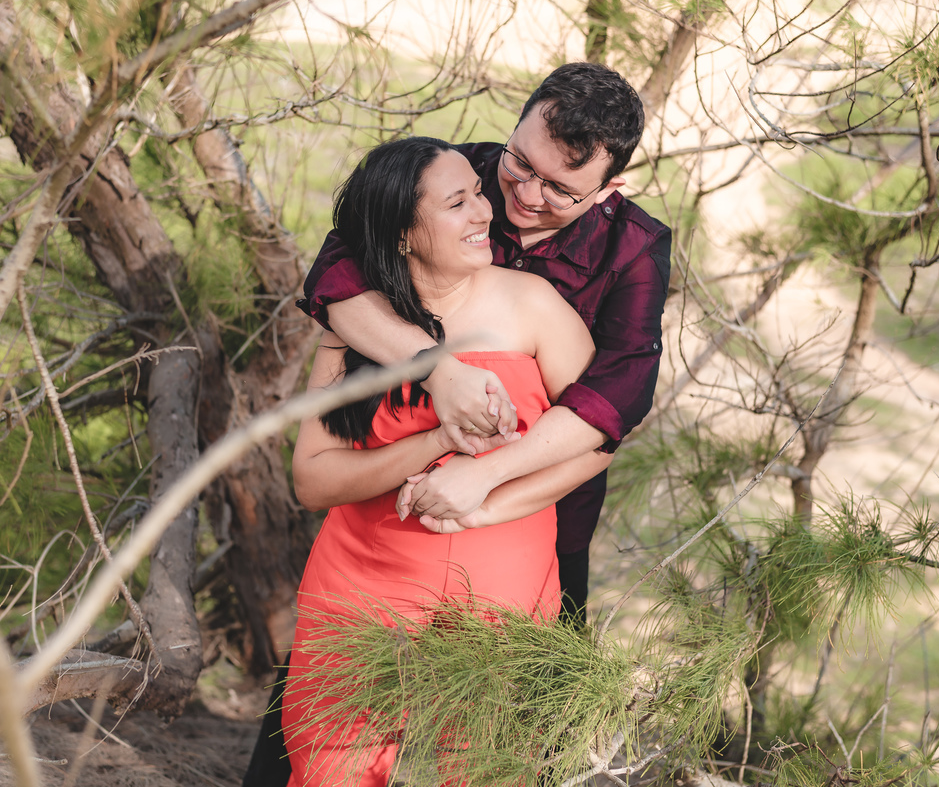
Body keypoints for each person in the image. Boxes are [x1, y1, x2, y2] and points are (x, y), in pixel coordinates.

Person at [241, 62, 670, 787]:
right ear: (514, 130)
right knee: (317, 731)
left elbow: (612, 405)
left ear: (607, 191)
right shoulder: (457, 177)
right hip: (381, 529)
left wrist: (487, 482)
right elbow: (339, 276)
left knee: (514, 736)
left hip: (538, 509)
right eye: (520, 165)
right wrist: (436, 368)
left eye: (559, 190)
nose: (523, 199)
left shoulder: (633, 250)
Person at [280, 135, 602, 787]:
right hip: (363, 584)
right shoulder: (358, 320)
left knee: (487, 770)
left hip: (501, 593)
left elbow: (600, 437)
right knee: (328, 770)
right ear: (403, 233)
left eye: (478, 193)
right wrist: (435, 442)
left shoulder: (533, 308)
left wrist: (488, 491)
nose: (485, 213)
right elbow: (312, 477)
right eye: (458, 202)